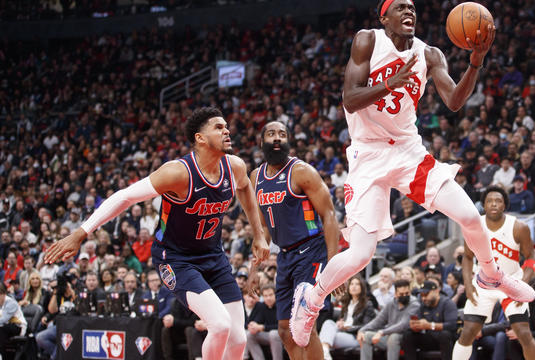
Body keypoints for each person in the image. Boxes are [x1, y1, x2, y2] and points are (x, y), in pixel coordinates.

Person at [289, 0, 534, 347]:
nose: (409, 13)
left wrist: (476, 61)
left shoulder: (429, 54)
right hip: (368, 153)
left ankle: (491, 275)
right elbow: (349, 98)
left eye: (413, 8)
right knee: (360, 253)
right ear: (383, 16)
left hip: (407, 151)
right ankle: (311, 300)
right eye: (401, 7)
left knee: (469, 216)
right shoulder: (367, 41)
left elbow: (453, 101)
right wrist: (389, 83)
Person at [44, 107, 270, 360]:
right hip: (177, 259)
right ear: (200, 138)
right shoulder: (177, 172)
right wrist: (81, 232)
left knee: (238, 338)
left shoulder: (235, 166)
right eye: (218, 127)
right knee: (220, 325)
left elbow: (246, 190)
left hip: (213, 256)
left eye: (226, 126)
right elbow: (125, 196)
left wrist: (259, 235)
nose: (227, 130)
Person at [251, 121, 340, 359]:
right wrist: (253, 269)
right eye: (271, 134)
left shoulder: (302, 171)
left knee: (304, 325)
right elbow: (262, 231)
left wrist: (334, 266)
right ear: (262, 142)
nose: (277, 138)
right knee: (285, 330)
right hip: (285, 256)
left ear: (289, 141)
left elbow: (329, 215)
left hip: (312, 251)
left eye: (282, 134)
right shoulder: (255, 177)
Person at [453, 186, 535, 359]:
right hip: (483, 284)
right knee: (467, 333)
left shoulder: (519, 227)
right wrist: (468, 285)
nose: (494, 204)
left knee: (523, 334)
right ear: (484, 205)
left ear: (504, 205)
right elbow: (468, 258)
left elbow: (531, 257)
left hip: (510, 283)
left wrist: (522, 285)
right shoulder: (474, 225)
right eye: (489, 201)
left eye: (498, 201)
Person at [357, 279, 419, 360]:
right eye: (401, 294)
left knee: (393, 337)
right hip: (388, 335)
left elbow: (403, 325)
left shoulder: (414, 304)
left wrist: (382, 332)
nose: (404, 296)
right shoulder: (391, 303)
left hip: (405, 338)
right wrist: (362, 330)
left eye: (407, 293)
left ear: (410, 292)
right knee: (366, 336)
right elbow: (378, 321)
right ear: (396, 294)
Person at [319, 275, 376, 360]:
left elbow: (367, 326)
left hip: (355, 336)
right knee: (328, 323)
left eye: (357, 284)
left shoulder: (368, 305)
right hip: (342, 332)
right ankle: (325, 353)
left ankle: (324, 353)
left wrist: (347, 327)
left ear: (362, 287)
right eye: (352, 284)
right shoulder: (346, 303)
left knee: (330, 337)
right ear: (348, 287)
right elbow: (342, 320)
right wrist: (340, 323)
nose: (354, 286)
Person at [402, 279, 457, 360]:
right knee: (408, 335)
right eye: (422, 295)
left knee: (445, 334)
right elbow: (420, 323)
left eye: (426, 294)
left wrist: (430, 325)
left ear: (436, 291)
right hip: (430, 338)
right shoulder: (423, 306)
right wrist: (415, 326)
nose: (423, 298)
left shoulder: (447, 303)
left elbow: (452, 325)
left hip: (447, 339)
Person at [245, 284, 283, 360]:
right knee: (249, 335)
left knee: (273, 334)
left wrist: (263, 327)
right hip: (267, 335)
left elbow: (282, 326)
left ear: (275, 295)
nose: (268, 298)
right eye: (265, 296)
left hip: (282, 335)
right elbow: (256, 320)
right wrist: (253, 325)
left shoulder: (281, 305)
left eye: (270, 295)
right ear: (262, 297)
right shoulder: (261, 306)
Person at [0, 282, 27, 359]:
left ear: (3, 294)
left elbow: (3, 319)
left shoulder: (11, 303)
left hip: (18, 326)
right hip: (6, 326)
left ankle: (2, 355)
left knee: (2, 329)